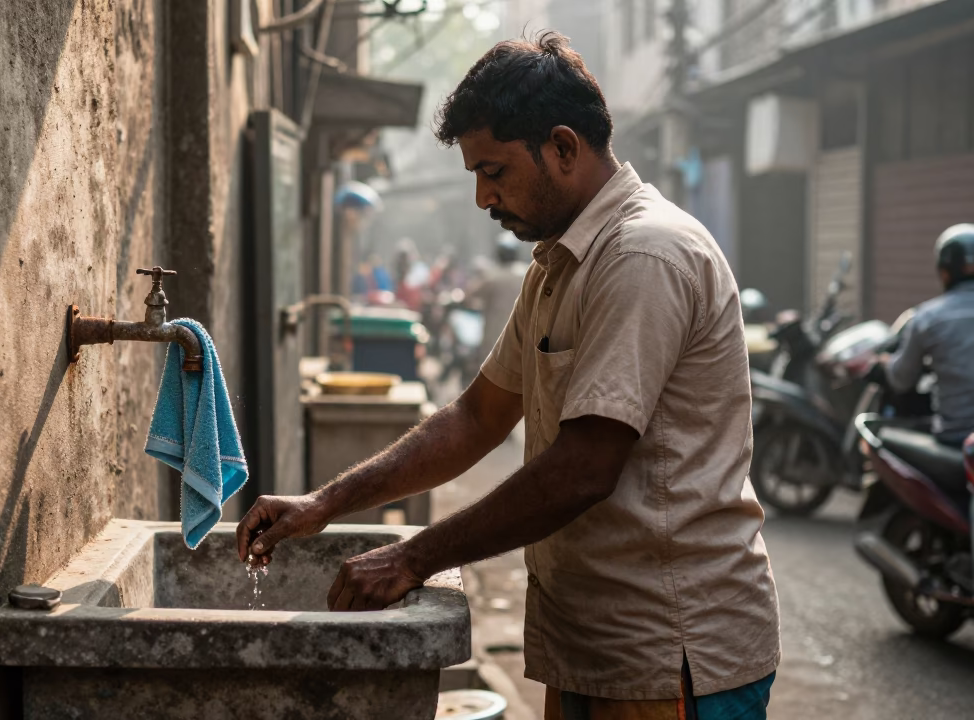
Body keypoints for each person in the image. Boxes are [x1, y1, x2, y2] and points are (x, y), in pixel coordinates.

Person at [237, 31, 778, 719]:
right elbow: (476, 418)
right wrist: (324, 503)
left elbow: (584, 469)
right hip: (595, 646)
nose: (482, 197)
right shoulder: (559, 265)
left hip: (671, 651)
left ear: (563, 147)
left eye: (493, 170)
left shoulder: (643, 255)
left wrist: (413, 557)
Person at [883, 224, 974, 447]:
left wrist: (884, 363)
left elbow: (901, 379)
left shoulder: (928, 319)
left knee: (882, 442)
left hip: (955, 438)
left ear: (944, 272)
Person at [467, 232, 529, 363]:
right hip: (523, 337)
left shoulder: (492, 276)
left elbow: (470, 294)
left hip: (495, 337)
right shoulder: (527, 273)